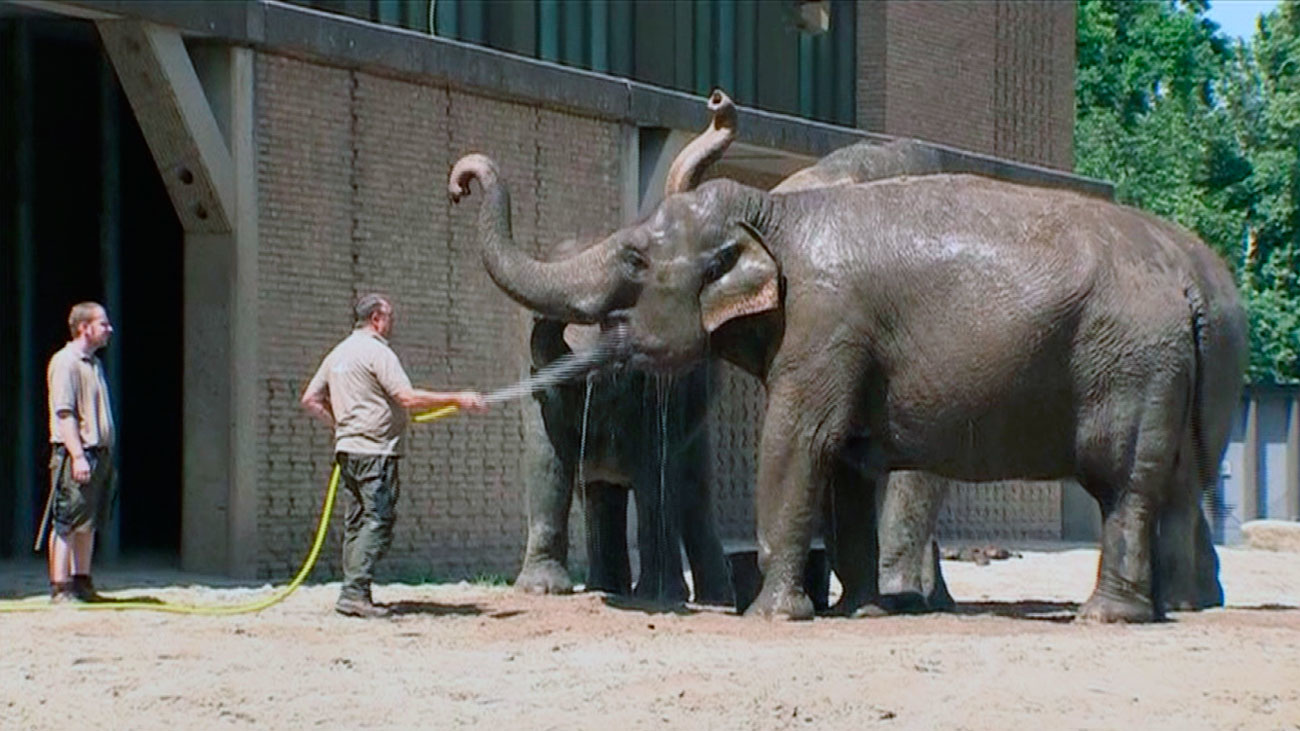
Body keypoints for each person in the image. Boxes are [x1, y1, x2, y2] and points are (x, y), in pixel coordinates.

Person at [301, 293, 488, 618]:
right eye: (390, 317)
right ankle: (354, 592)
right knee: (378, 520)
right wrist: (458, 398)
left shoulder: (338, 353)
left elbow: (310, 399)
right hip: (376, 452)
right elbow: (407, 397)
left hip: (349, 451)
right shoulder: (377, 353)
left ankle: (355, 590)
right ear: (376, 318)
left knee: (357, 520)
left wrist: (341, 425)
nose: (393, 323)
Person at [45, 302, 116, 603]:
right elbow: (64, 414)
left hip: (98, 454)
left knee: (88, 522)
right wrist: (77, 456)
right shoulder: (66, 362)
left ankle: (82, 582)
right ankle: (60, 588)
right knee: (67, 521)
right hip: (78, 453)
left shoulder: (94, 364)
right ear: (84, 327)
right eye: (103, 324)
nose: (109, 329)